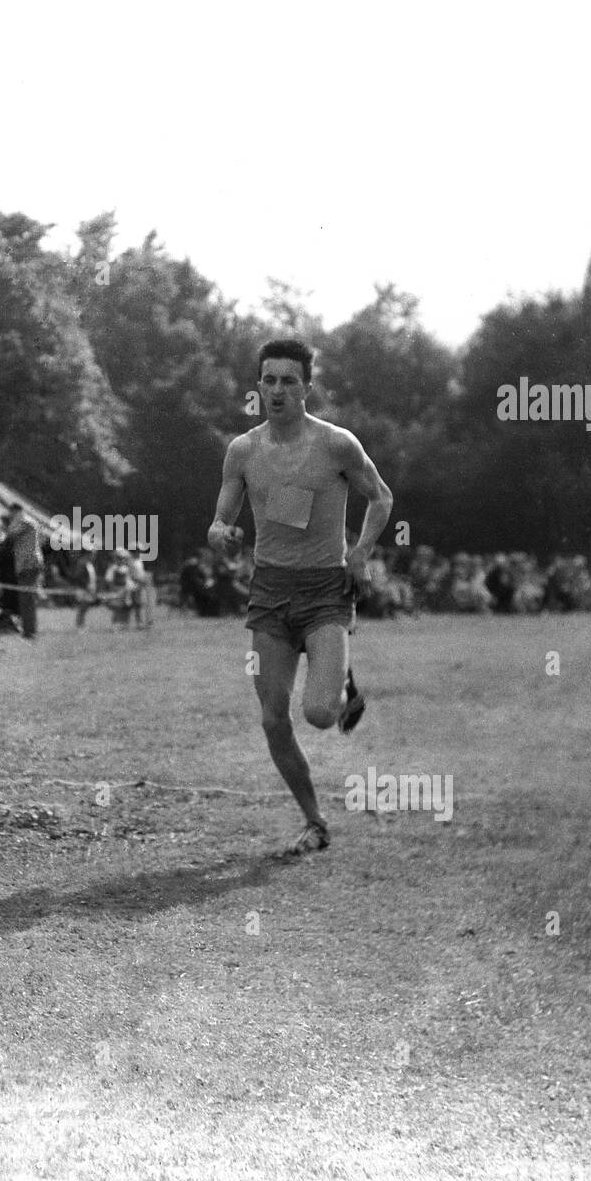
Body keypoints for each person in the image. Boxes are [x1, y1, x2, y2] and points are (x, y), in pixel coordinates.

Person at [208, 339, 393, 856]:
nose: (277, 390)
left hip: (324, 590)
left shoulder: (336, 445)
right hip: (269, 591)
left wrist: (359, 554)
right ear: (259, 386)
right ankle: (315, 821)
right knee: (272, 719)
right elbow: (220, 518)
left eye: (289, 380)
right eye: (269, 379)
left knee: (315, 713)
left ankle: (340, 690)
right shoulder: (242, 451)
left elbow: (380, 497)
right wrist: (220, 533)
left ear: (307, 387)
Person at [5, 503, 43, 639]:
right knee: (26, 598)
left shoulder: (25, 522)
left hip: (29, 564)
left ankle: (29, 631)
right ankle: (28, 630)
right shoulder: (27, 522)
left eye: (11, 513)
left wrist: (10, 521)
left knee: (27, 598)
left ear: (15, 511)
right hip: (26, 564)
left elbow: (10, 534)